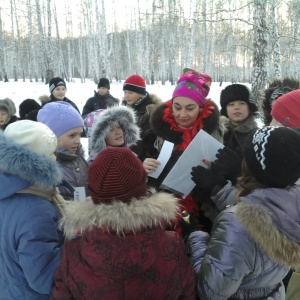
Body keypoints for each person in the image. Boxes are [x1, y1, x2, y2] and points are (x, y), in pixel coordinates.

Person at [51, 147, 196, 300]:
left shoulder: (73, 253)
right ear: (142, 187)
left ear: (92, 189)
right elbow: (186, 292)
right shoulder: (172, 245)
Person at [182, 126, 300, 299]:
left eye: (247, 156)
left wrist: (194, 235)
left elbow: (210, 290)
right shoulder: (293, 197)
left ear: (252, 166)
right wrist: (220, 187)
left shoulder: (236, 224)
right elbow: (264, 213)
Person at [143, 68, 224, 234]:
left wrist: (215, 175)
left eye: (190, 108)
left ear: (202, 108)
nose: (182, 114)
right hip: (162, 214)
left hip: (204, 213)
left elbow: (230, 177)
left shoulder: (218, 135)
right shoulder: (153, 134)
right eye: (177, 107)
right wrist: (142, 166)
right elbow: (134, 175)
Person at [0, 120, 65, 300]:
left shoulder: (6, 192)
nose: (56, 158)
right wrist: (78, 243)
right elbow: (44, 278)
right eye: (52, 153)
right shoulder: (36, 210)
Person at [37, 101, 89, 200]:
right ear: (53, 135)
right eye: (72, 135)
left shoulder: (79, 159)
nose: (78, 141)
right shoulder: (50, 168)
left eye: (80, 134)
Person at [122, 74, 162, 161]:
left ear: (140, 93)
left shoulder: (150, 112)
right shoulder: (124, 110)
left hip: (145, 161)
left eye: (130, 92)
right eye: (125, 92)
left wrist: (141, 159)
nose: (126, 96)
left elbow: (149, 143)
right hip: (128, 157)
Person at [220, 83, 258, 152]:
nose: (236, 108)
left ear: (249, 108)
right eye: (231, 104)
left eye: (242, 103)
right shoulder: (218, 133)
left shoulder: (257, 135)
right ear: (225, 110)